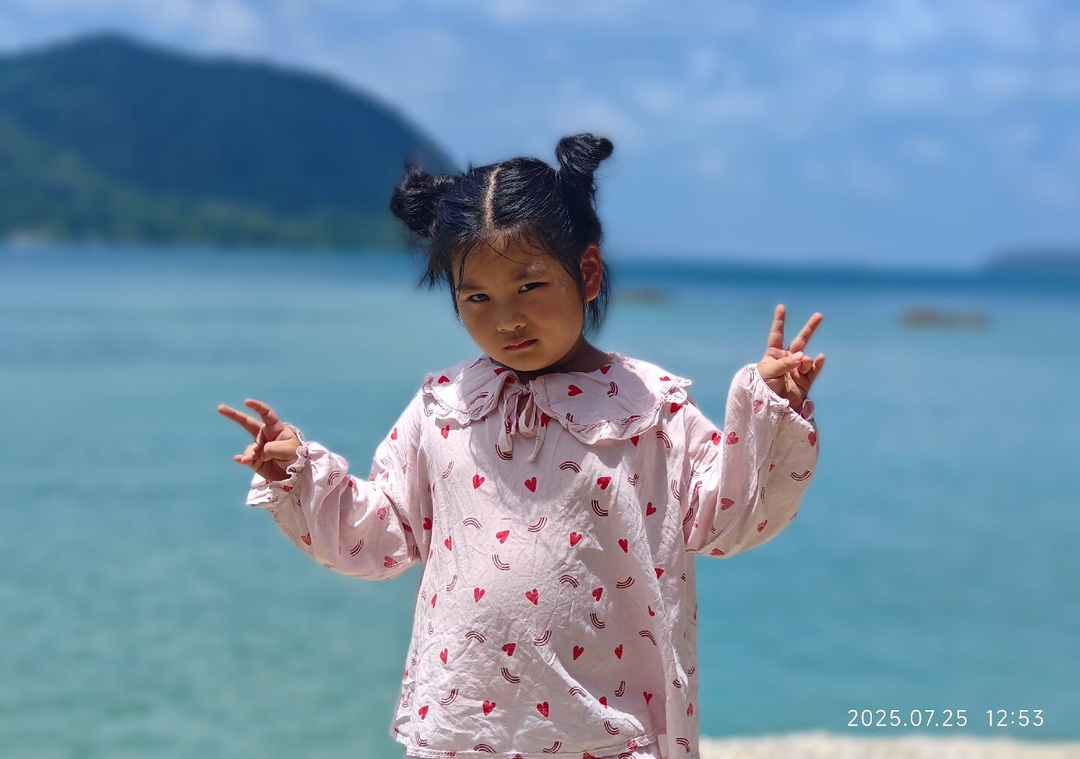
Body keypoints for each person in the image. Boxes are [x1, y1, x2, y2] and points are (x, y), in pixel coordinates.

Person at [219, 133, 825, 759]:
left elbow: (729, 518)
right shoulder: (445, 407)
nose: (506, 318)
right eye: (477, 297)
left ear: (587, 272)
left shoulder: (647, 408)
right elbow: (384, 532)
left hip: (611, 733)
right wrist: (299, 475)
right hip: (460, 728)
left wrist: (770, 412)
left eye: (530, 286)